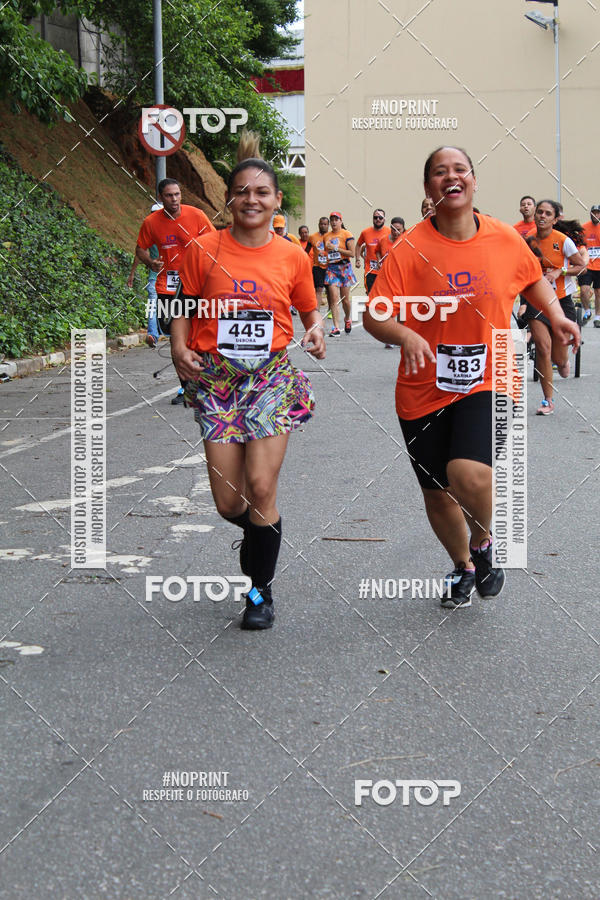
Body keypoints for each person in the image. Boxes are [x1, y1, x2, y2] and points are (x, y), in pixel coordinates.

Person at [363, 146, 579, 608]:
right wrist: (405, 335)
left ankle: (482, 542)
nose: (450, 177)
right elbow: (375, 314)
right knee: (437, 492)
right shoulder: (409, 249)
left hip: (492, 374)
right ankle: (463, 565)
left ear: (474, 181)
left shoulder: (504, 239)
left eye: (459, 169)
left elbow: (533, 278)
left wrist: (557, 316)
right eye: (439, 172)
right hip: (424, 387)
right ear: (428, 188)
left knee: (469, 474)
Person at [172, 131, 326, 630]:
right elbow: (183, 305)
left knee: (261, 486)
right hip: (215, 382)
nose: (252, 200)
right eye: (243, 192)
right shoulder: (201, 249)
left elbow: (309, 308)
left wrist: (316, 331)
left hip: (271, 379)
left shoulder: (292, 256)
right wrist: (178, 346)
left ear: (277, 200)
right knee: (228, 502)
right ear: (229, 199)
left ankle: (259, 592)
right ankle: (263, 535)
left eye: (263, 192)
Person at [136, 180, 215, 404]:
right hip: (167, 287)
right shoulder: (151, 222)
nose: (174, 199)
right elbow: (140, 248)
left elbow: (216, 242)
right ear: (160, 198)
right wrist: (150, 262)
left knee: (200, 335)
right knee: (175, 339)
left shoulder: (197, 215)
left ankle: (206, 382)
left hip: (197, 284)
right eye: (169, 195)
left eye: (177, 194)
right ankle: (186, 388)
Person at [521, 199, 585, 415]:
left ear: (556, 219)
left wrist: (560, 272)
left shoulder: (563, 241)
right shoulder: (528, 240)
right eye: (540, 212)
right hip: (536, 300)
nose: (542, 216)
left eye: (548, 213)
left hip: (561, 299)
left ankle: (563, 360)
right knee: (542, 346)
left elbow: (581, 266)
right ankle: (548, 400)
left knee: (559, 360)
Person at [128, 202, 163, 347]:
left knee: (152, 306)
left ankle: (152, 334)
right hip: (172, 279)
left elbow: (140, 253)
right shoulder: (171, 229)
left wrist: (132, 273)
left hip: (154, 278)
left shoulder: (149, 231)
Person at [323, 212, 356, 335]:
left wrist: (336, 248)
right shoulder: (326, 236)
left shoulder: (347, 234)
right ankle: (336, 327)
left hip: (344, 267)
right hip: (332, 268)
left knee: (345, 300)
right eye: (332, 220)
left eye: (336, 219)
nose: (334, 222)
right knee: (334, 299)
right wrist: (324, 255)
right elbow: (327, 253)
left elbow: (352, 253)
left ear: (341, 221)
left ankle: (347, 318)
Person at [355, 209, 390, 293]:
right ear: (373, 219)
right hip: (370, 270)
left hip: (384, 270)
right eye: (375, 217)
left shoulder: (389, 232)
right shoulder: (365, 232)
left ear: (384, 219)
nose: (378, 219)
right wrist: (357, 259)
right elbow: (358, 245)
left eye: (380, 218)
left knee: (384, 295)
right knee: (371, 294)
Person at [580, 204, 600, 326]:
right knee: (584, 290)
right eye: (594, 213)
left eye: (598, 213)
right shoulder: (583, 228)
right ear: (590, 213)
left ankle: (598, 317)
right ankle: (587, 311)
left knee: (598, 292)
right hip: (586, 266)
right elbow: (578, 245)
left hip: (599, 267)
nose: (595, 215)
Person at [308, 217, 330, 312]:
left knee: (330, 291)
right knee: (319, 289)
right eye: (321, 224)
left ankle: (330, 310)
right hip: (317, 267)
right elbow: (306, 251)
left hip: (330, 267)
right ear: (318, 224)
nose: (323, 226)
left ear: (328, 225)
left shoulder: (332, 236)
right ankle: (317, 311)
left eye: (325, 224)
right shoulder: (312, 237)